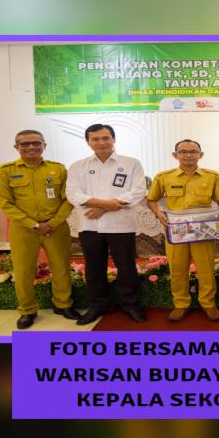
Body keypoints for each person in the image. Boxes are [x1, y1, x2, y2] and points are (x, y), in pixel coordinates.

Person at [0, 129, 79, 329]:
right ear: (16, 147)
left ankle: (63, 304)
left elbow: (69, 199)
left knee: (61, 267)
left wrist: (53, 222)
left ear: (44, 146)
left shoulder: (58, 169)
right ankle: (28, 310)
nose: (31, 147)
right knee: (24, 270)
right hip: (23, 229)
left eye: (36, 143)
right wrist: (32, 224)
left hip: (55, 227)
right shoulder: (5, 171)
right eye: (25, 144)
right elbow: (5, 203)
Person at [66, 124, 147, 326]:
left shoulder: (131, 163)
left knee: (126, 267)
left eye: (105, 138)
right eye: (95, 139)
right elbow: (73, 194)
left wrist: (104, 207)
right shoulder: (78, 166)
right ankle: (97, 305)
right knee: (94, 267)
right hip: (89, 225)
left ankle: (131, 304)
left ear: (113, 139)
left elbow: (138, 191)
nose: (101, 143)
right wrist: (106, 204)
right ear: (88, 142)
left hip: (121, 225)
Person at [147, 139, 219, 322]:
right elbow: (151, 199)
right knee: (177, 268)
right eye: (183, 152)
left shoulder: (212, 176)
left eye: (193, 152)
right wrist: (158, 213)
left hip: (203, 230)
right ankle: (180, 304)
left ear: (200, 155)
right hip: (176, 230)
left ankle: (208, 304)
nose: (188, 155)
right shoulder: (163, 177)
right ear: (175, 155)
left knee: (206, 268)